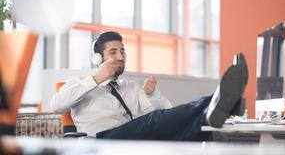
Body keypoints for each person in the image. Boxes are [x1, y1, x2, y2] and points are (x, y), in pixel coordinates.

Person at [50, 31, 248, 141]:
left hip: (134, 136)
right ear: (97, 58)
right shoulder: (78, 83)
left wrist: (153, 95)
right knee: (153, 121)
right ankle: (218, 101)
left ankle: (214, 110)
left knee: (196, 132)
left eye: (122, 51)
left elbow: (162, 118)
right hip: (102, 139)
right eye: (113, 52)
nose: (120, 57)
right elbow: (57, 104)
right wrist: (97, 78)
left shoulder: (131, 86)